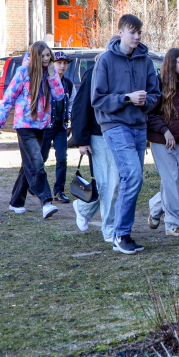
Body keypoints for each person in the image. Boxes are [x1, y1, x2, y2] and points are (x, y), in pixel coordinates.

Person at [92, 14, 161, 255]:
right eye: (132, 32)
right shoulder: (106, 60)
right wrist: (126, 98)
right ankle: (120, 235)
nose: (137, 36)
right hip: (114, 125)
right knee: (133, 176)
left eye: (139, 32)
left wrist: (145, 101)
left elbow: (155, 96)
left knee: (131, 179)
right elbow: (97, 99)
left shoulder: (146, 60)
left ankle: (121, 234)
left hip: (139, 126)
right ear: (120, 32)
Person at [0, 42, 65, 219]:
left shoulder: (50, 72)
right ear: (35, 56)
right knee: (36, 162)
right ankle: (46, 202)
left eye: (48, 55)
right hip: (24, 124)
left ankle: (16, 202)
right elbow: (8, 97)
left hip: (42, 125)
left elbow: (59, 95)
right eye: (43, 56)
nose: (47, 59)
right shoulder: (23, 72)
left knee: (29, 163)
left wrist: (52, 75)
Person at [69, 61, 119, 242]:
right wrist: (82, 140)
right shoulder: (94, 73)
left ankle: (83, 209)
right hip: (99, 136)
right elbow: (81, 107)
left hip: (122, 135)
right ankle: (110, 229)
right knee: (108, 184)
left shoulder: (127, 70)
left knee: (115, 183)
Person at [147, 48, 179, 237]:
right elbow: (149, 114)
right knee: (171, 181)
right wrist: (164, 131)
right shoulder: (158, 83)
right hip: (162, 140)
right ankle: (173, 224)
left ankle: (155, 206)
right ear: (171, 63)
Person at [41, 51, 74, 203]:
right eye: (59, 63)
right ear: (52, 64)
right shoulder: (45, 82)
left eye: (65, 63)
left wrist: (69, 117)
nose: (62, 66)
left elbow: (72, 102)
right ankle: (36, 186)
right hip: (46, 127)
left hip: (61, 127)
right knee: (41, 158)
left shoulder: (68, 84)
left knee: (62, 159)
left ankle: (59, 191)